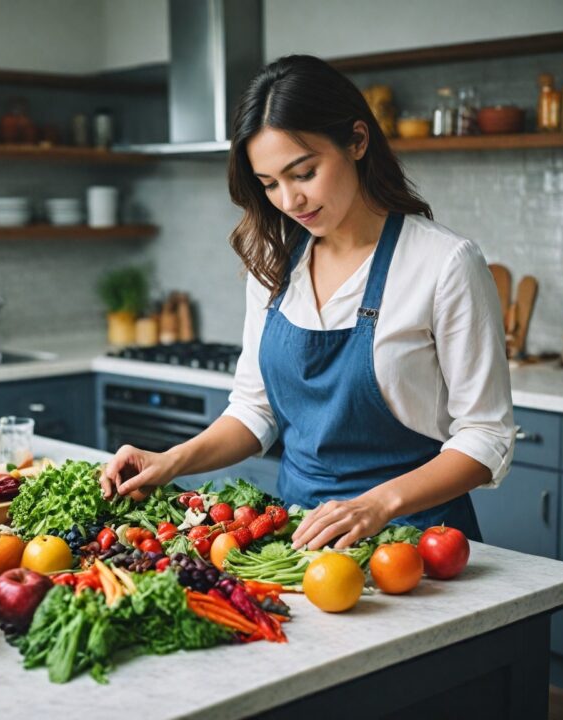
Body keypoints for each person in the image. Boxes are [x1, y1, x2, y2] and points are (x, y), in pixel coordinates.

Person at [100, 55, 514, 551]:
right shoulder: (274, 264)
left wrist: (376, 505)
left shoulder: (444, 263)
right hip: (300, 544)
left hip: (418, 547)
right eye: (270, 184)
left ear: (357, 141)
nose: (289, 201)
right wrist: (170, 460)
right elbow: (256, 412)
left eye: (304, 172)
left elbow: (485, 435)